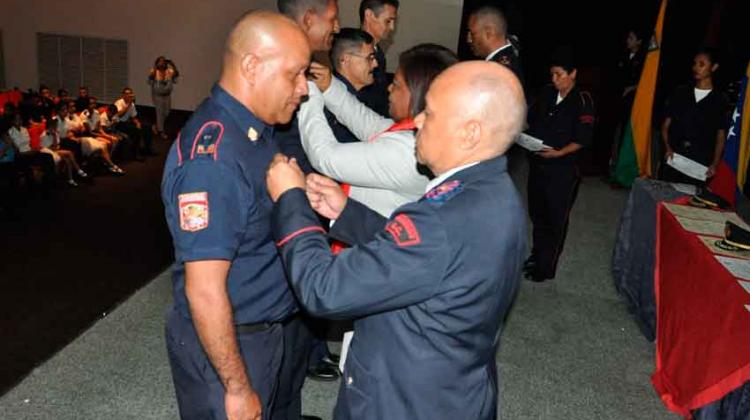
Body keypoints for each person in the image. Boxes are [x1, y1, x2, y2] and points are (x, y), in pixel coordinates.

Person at [266, 60, 527, 420]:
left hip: (401, 401)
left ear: (470, 133)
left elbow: (324, 289)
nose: (417, 121)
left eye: (430, 114)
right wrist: (347, 214)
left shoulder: (439, 221)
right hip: (453, 388)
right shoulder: (497, 192)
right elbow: (424, 262)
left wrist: (291, 200)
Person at [161, 10, 312, 420]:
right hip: (231, 342)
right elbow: (205, 290)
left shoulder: (254, 130)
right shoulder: (214, 162)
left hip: (261, 327)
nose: (304, 88)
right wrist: (237, 387)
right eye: (295, 75)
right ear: (251, 66)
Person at [302, 43, 458, 216]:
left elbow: (325, 157)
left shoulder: (409, 151)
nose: (389, 88)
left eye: (397, 84)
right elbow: (367, 123)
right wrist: (329, 87)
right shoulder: (428, 133)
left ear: (418, 93)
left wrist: (308, 94)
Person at [524, 51, 595, 283]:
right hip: (538, 163)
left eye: (559, 74)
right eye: (552, 74)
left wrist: (559, 153)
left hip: (563, 168)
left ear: (573, 73)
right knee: (537, 212)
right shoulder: (546, 93)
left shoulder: (583, 100)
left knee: (556, 218)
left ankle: (546, 267)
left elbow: (583, 139)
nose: (555, 79)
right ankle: (536, 255)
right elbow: (531, 121)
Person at [275, 0, 340, 174]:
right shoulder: (278, 69)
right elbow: (285, 145)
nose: (337, 28)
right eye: (332, 19)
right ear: (309, 19)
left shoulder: (310, 66)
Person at [659, 47, 730, 185]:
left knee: (689, 203)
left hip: (699, 163)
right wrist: (667, 147)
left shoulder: (720, 100)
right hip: (674, 157)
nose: (696, 68)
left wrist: (714, 164)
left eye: (702, 64)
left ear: (714, 67)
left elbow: (720, 137)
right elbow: (665, 125)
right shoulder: (680, 92)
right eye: (695, 63)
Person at [324, 28, 379, 144]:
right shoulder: (328, 105)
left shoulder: (366, 95)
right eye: (370, 58)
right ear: (345, 60)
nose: (375, 64)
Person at [358, 0, 399, 117]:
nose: (392, 27)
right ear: (369, 15)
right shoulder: (355, 53)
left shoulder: (378, 52)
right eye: (388, 21)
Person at [466, 5, 524, 86]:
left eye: (472, 34)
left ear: (489, 33)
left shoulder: (496, 73)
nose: (468, 39)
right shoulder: (509, 62)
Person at [114, 87, 154, 159]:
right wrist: (129, 104)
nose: (129, 95)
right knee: (136, 130)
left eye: (130, 94)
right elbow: (120, 115)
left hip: (126, 123)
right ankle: (135, 153)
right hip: (118, 124)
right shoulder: (119, 102)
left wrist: (137, 123)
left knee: (147, 126)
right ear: (123, 95)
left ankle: (148, 149)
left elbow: (134, 117)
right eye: (127, 94)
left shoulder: (131, 104)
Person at [148, 56, 179, 139]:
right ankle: (161, 132)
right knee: (159, 114)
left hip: (167, 95)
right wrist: (155, 68)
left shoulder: (169, 71)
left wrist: (172, 64)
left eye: (163, 61)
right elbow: (150, 78)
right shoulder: (155, 71)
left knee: (167, 112)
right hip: (158, 96)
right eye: (160, 61)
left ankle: (156, 126)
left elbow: (176, 74)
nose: (161, 63)